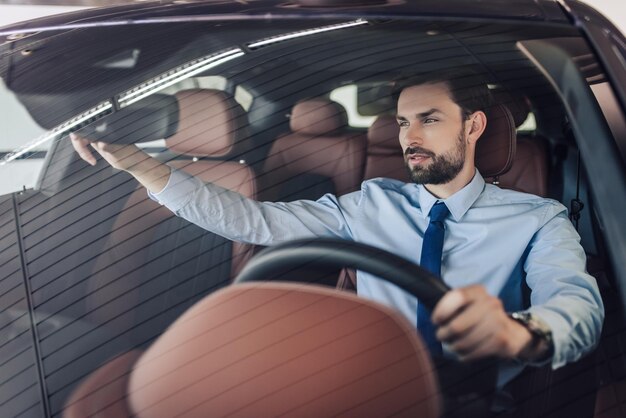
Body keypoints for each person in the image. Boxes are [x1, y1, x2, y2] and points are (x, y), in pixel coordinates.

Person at [71, 69, 603, 392]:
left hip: (486, 399)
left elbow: (577, 305)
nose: (409, 138)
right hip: (364, 388)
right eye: (401, 122)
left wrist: (517, 332)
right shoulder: (371, 203)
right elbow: (257, 223)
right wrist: (144, 167)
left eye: (429, 120)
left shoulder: (537, 217)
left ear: (473, 125)